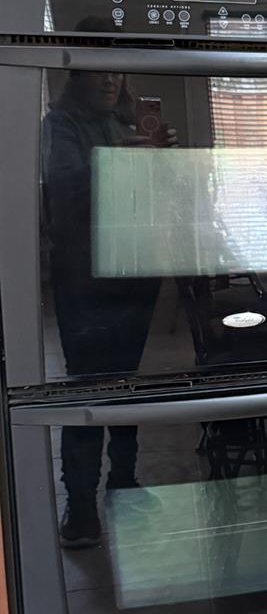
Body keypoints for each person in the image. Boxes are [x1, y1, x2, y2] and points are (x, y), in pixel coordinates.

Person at [42, 62, 174, 548]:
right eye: (98, 70)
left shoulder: (125, 121)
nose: (109, 80)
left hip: (135, 274)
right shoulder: (59, 125)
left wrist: (162, 161)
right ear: (75, 75)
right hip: (86, 282)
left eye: (116, 71)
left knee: (125, 386)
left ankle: (123, 483)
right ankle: (81, 508)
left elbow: (149, 198)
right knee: (87, 392)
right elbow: (63, 193)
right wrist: (117, 159)